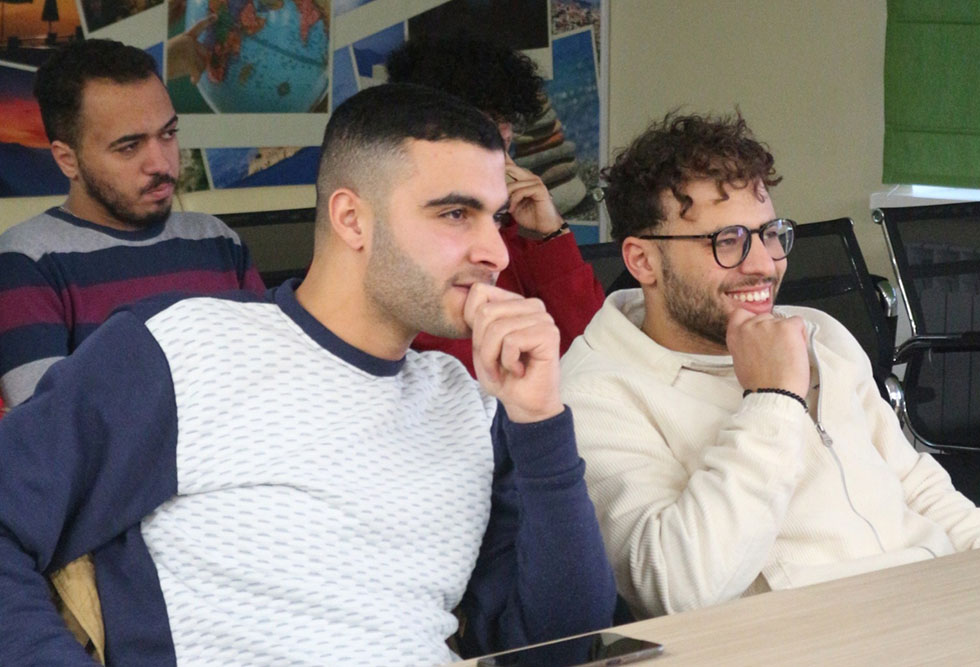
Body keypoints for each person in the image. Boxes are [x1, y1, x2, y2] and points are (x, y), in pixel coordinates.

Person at [0, 83, 616, 664]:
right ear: (351, 219)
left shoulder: (472, 405)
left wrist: (539, 420)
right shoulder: (180, 350)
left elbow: (559, 644)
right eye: (456, 214)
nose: (497, 253)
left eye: (497, 218)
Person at [560, 112, 980, 620]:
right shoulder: (594, 394)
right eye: (727, 240)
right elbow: (679, 589)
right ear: (642, 261)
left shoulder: (816, 331)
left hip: (934, 606)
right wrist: (772, 399)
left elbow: (917, 487)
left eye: (770, 233)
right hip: (819, 634)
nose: (764, 264)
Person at [0, 39, 264, 411]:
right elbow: (48, 426)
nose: (161, 163)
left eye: (168, 134)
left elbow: (272, 373)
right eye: (129, 146)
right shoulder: (27, 261)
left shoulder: (218, 241)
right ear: (67, 160)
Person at [386, 37, 604, 374]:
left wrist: (550, 234)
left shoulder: (516, 221)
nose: (504, 132)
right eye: (486, 118)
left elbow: (598, 348)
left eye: (506, 118)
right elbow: (477, 374)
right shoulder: (409, 235)